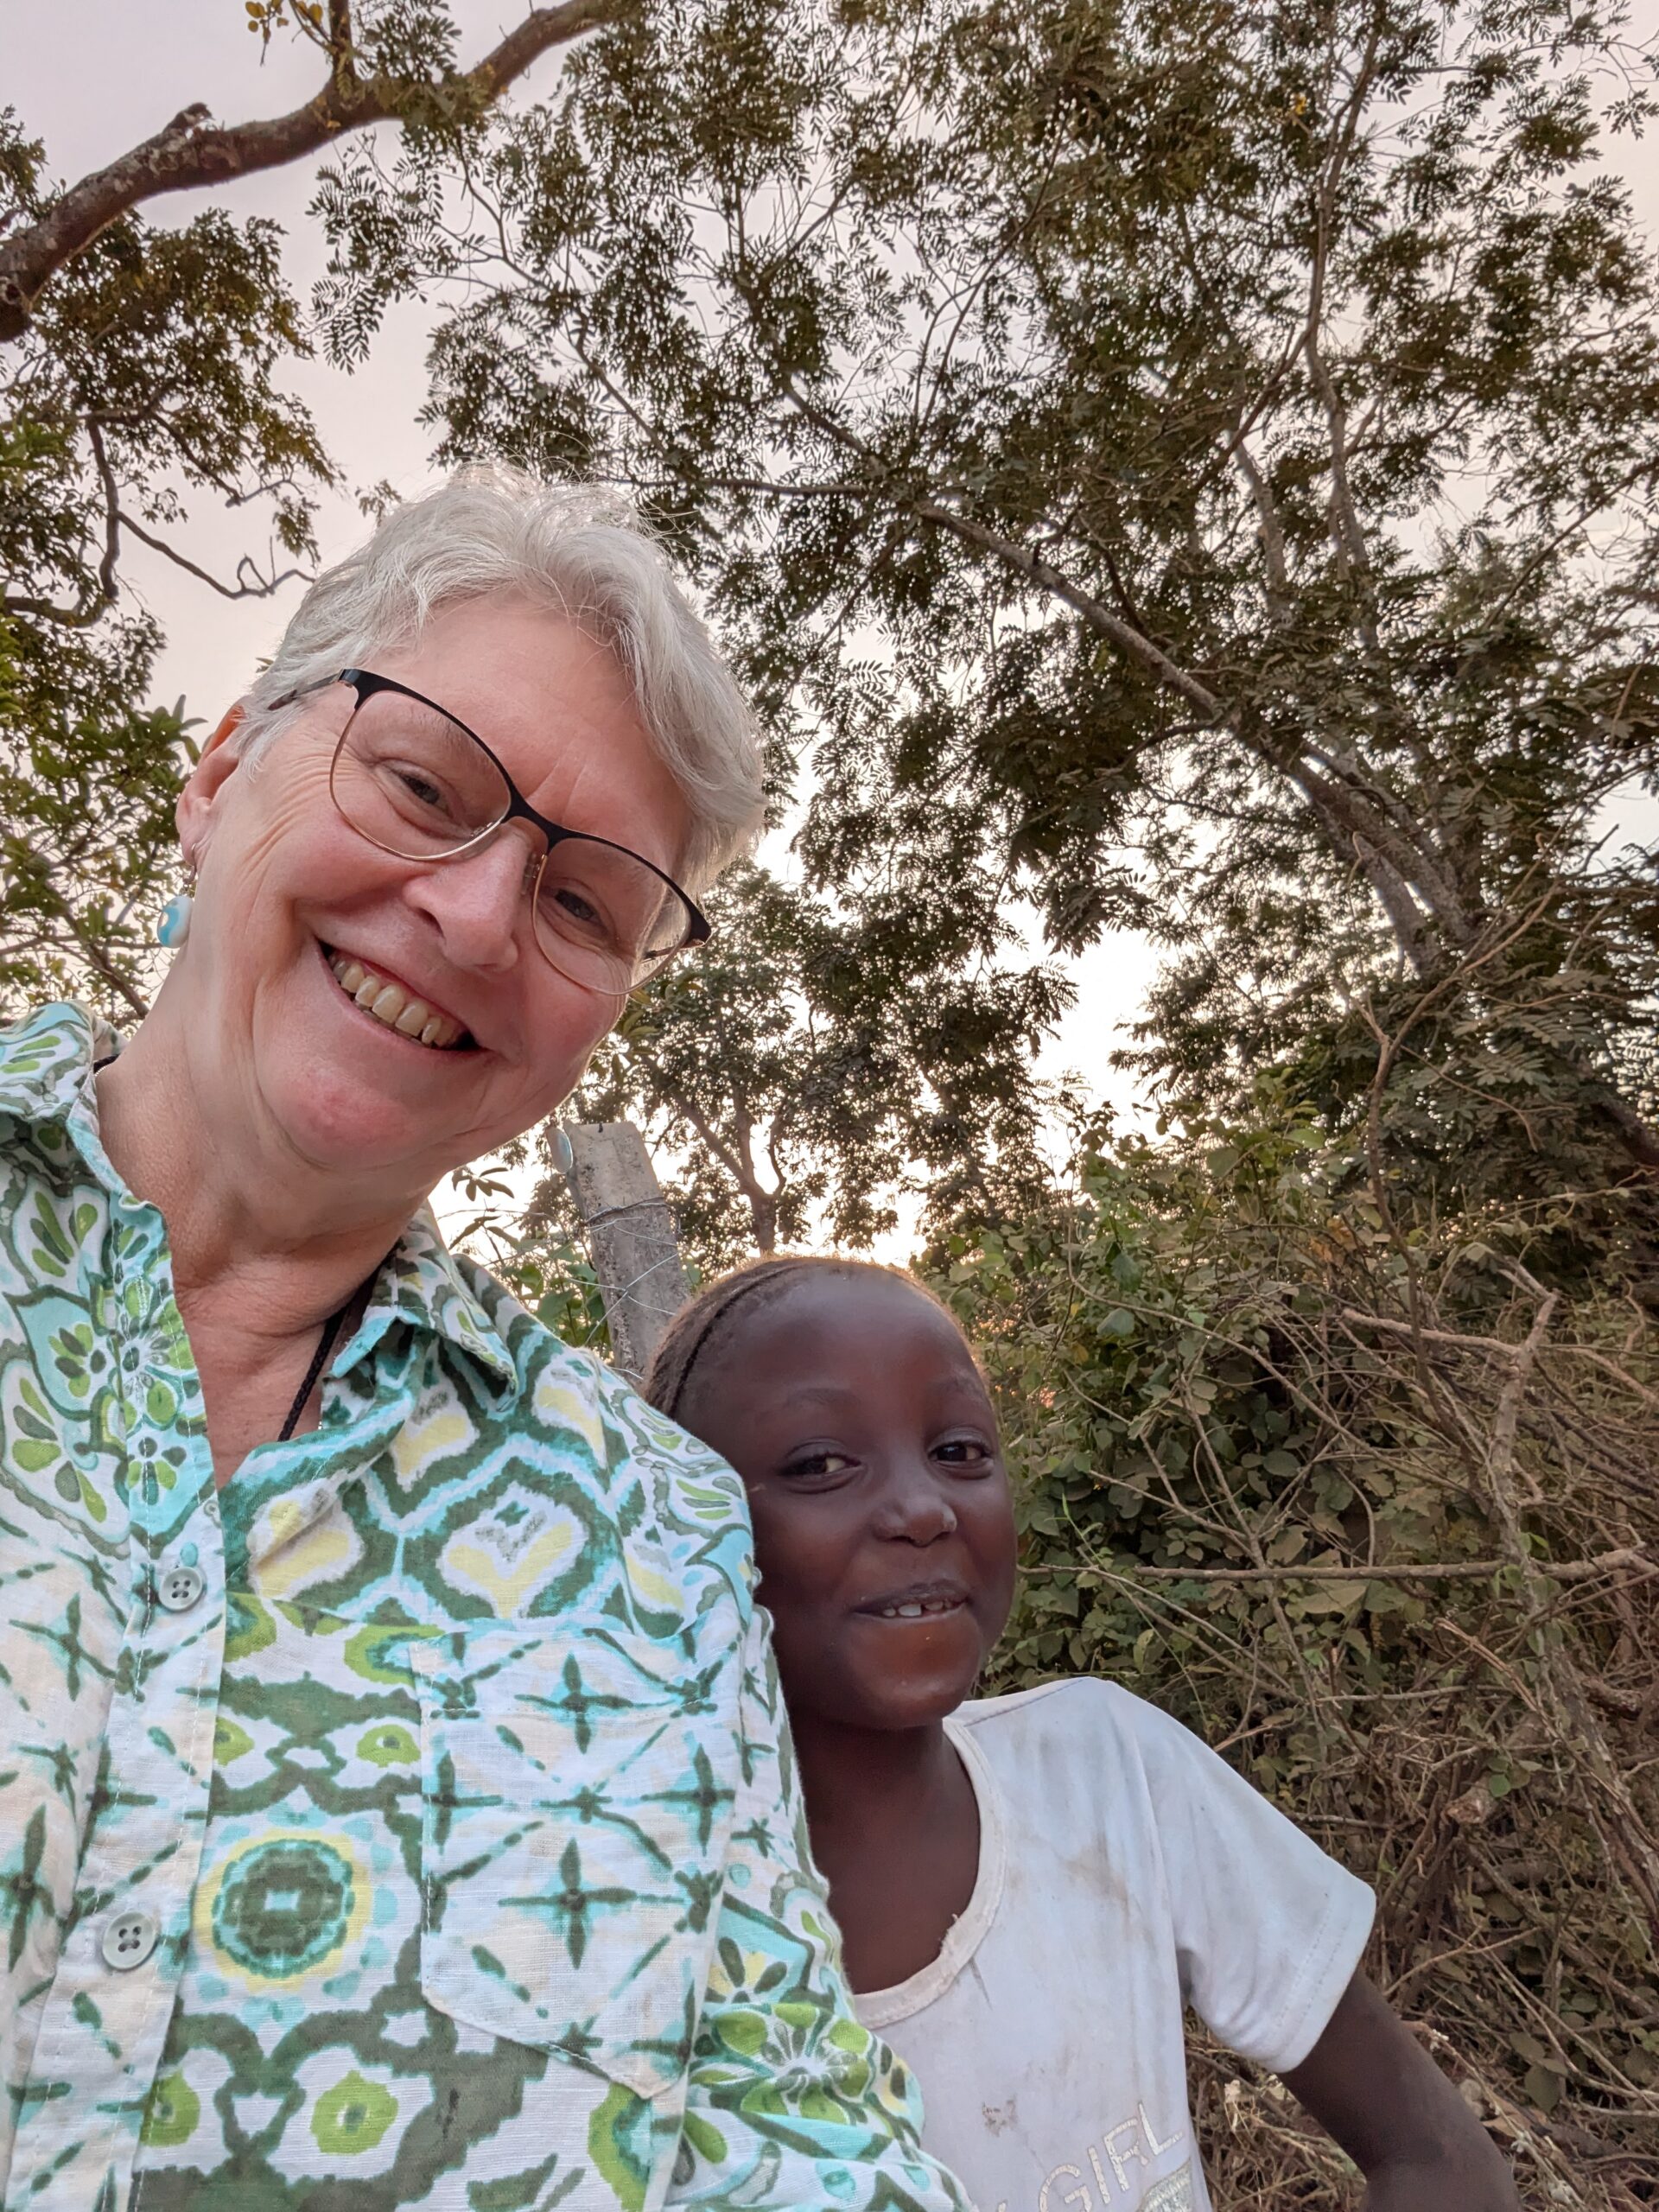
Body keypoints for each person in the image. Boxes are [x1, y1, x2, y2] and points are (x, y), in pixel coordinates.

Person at [0, 473, 970, 2212]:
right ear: (221, 775)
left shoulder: (650, 1539)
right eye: (423, 784)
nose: (472, 915)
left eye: (585, 902)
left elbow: (798, 2141)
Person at [644, 1256, 1522, 2212]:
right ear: (680, 1530)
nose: (924, 1507)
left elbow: (1437, 2155)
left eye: (959, 1450)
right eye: (820, 1463)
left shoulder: (1107, 1770)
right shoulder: (634, 1943)